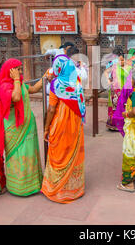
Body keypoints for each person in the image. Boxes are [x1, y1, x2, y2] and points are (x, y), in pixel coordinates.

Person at [0, 59, 45, 197]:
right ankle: (19, 187)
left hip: (28, 126)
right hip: (14, 129)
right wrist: (16, 80)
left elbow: (33, 89)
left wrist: (44, 78)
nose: (21, 72)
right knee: (18, 154)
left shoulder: (20, 84)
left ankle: (33, 184)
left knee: (29, 153)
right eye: (18, 70)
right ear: (10, 71)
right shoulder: (3, 86)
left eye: (21, 69)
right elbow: (15, 98)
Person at [41, 54, 86, 203]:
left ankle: (57, 190)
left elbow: (52, 109)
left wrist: (46, 128)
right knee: (72, 150)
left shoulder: (56, 84)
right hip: (76, 121)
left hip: (61, 122)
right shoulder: (76, 81)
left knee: (59, 151)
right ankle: (73, 190)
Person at [105, 48, 131, 131]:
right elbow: (107, 72)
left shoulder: (127, 65)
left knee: (121, 106)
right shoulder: (112, 64)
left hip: (123, 90)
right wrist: (109, 81)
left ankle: (120, 123)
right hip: (114, 90)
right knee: (114, 107)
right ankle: (113, 124)